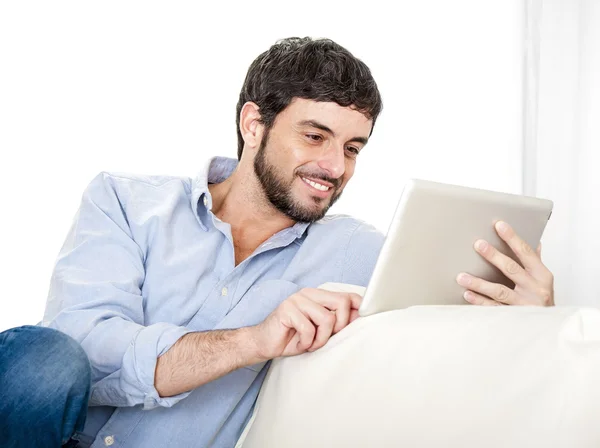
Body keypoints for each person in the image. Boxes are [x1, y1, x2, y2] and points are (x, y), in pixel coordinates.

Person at [0, 37, 555, 448]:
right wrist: (252, 341)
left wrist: (529, 322)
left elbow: (453, 349)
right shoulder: (126, 201)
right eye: (315, 136)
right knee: (43, 360)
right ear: (253, 124)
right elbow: (87, 349)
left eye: (354, 148)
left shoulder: (364, 256)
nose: (335, 167)